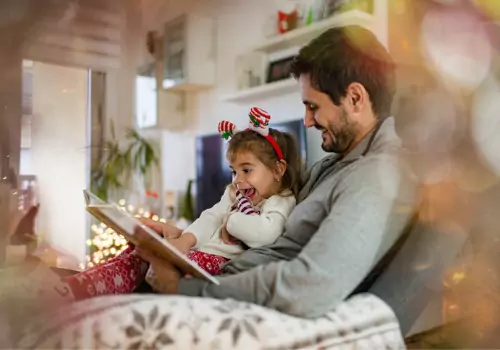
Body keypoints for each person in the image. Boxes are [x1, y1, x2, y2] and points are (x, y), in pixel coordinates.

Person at [135, 24, 418, 318]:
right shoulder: (333, 165)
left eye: (313, 106)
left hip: (220, 302)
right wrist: (181, 238)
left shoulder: (374, 176)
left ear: (356, 99)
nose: (307, 121)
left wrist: (182, 290)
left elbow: (308, 287)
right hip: (218, 279)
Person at [146, 106, 300, 282]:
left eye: (247, 170)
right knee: (139, 253)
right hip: (200, 251)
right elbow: (212, 217)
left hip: (219, 262)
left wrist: (230, 221)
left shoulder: (281, 201)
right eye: (234, 172)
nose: (236, 180)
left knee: (163, 263)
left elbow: (266, 234)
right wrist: (186, 240)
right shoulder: (235, 192)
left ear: (277, 170)